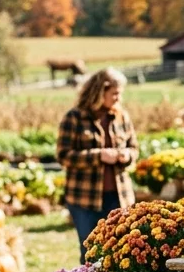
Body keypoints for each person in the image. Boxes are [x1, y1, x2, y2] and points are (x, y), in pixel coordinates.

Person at [57, 68, 137, 262]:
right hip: (85, 200)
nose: (119, 98)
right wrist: (98, 156)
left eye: (120, 93)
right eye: (114, 93)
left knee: (121, 250)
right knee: (90, 251)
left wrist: (126, 155)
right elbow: (64, 156)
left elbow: (134, 148)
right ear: (99, 92)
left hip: (119, 197)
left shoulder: (121, 117)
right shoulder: (74, 118)